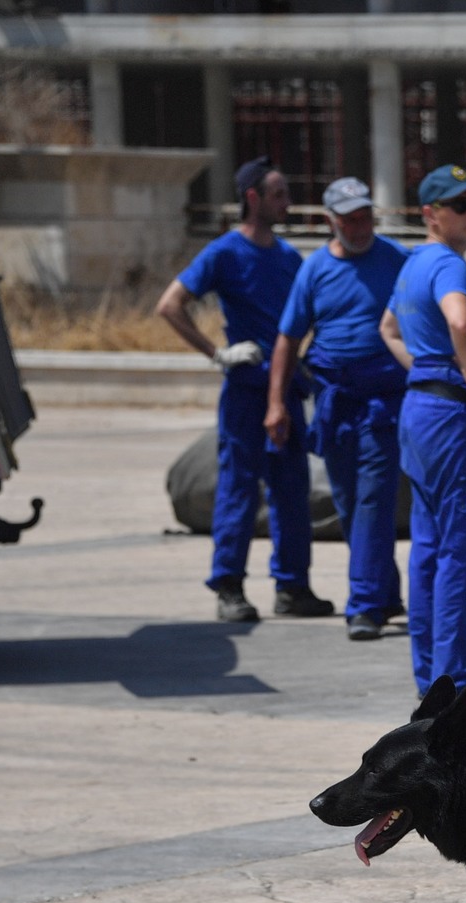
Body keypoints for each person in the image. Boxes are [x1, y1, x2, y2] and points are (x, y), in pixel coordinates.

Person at [156, 157, 330, 623]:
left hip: (288, 390)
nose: (287, 202)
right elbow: (170, 306)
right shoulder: (224, 253)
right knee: (238, 488)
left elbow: (309, 317)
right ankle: (228, 586)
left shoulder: (290, 259)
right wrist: (216, 354)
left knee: (291, 490)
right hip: (246, 391)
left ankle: (293, 586)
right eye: (278, 194)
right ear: (252, 197)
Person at [378, 164, 466, 708]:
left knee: (431, 549)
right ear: (431, 215)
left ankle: (431, 677)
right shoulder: (447, 267)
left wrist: (426, 370)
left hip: (423, 410)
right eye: (460, 206)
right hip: (455, 419)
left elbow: (388, 329)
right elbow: (462, 323)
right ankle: (456, 682)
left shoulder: (414, 264)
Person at [267, 176, 410, 640]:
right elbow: (289, 338)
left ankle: (364, 605)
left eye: (366, 216)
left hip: (383, 403)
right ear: (330, 221)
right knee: (349, 503)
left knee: (373, 499)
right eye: (350, 219)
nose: (361, 225)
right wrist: (276, 404)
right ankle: (385, 590)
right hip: (334, 402)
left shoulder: (395, 260)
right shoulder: (314, 270)